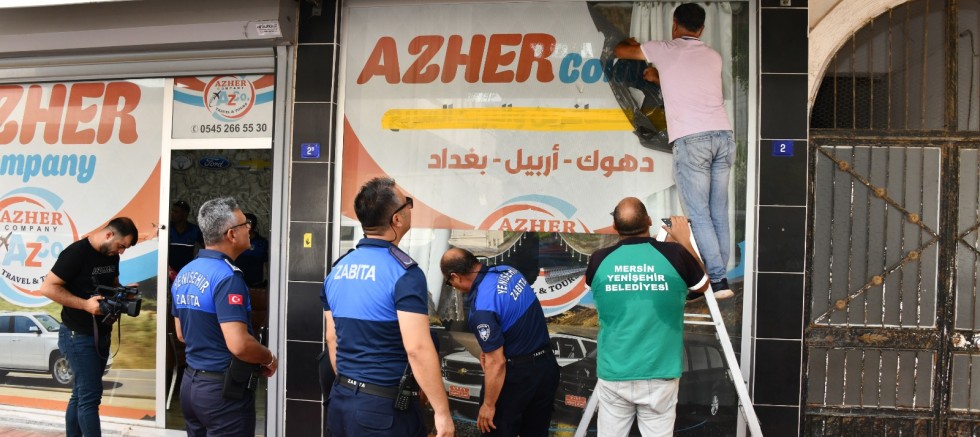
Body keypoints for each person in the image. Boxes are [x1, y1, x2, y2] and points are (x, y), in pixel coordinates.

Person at [614, 3, 735, 299]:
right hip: (723, 136)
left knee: (699, 214)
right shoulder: (713, 56)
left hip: (692, 140)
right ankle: (721, 277)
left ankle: (716, 281)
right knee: (718, 212)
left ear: (674, 24)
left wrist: (632, 41)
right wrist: (660, 77)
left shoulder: (666, 49)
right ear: (702, 29)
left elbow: (621, 50)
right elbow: (690, 84)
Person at [321, 177, 453, 437]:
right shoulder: (404, 274)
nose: (410, 208)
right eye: (408, 204)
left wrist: (353, 386)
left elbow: (332, 337)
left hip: (342, 401)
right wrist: (441, 411)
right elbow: (417, 348)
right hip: (383, 411)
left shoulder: (337, 270)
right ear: (396, 219)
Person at [585, 198, 709, 436]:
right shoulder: (675, 254)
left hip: (615, 372)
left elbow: (594, 286)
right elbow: (702, 285)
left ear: (615, 227)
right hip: (659, 372)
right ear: (649, 221)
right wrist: (684, 239)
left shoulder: (599, 259)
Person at [171, 197, 278, 437]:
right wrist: (269, 357)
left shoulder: (186, 271)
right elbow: (239, 345)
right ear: (231, 234)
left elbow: (182, 334)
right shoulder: (228, 277)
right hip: (222, 392)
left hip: (191, 386)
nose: (249, 228)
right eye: (244, 224)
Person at [440, 248, 559, 437]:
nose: (451, 285)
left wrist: (488, 405)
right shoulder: (508, 271)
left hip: (516, 377)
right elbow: (514, 317)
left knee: (494, 429)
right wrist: (490, 349)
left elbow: (497, 362)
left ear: (455, 276)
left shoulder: (482, 308)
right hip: (545, 368)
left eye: (449, 282)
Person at [40, 217, 139, 437]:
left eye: (124, 248)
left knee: (81, 394)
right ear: (109, 235)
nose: (121, 252)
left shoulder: (112, 255)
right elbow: (47, 288)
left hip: (101, 332)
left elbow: (111, 285)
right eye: (121, 246)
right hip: (77, 335)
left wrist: (123, 293)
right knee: (90, 397)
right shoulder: (76, 253)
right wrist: (85, 305)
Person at [233, 213, 269, 287]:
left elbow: (267, 263)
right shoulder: (234, 241)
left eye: (248, 223)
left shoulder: (261, 243)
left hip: (255, 284)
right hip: (237, 282)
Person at [169, 200, 204, 274]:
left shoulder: (194, 230)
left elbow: (207, 247)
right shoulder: (167, 230)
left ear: (185, 214)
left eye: (176, 212)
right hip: (168, 272)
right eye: (172, 211)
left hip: (187, 271)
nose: (172, 213)